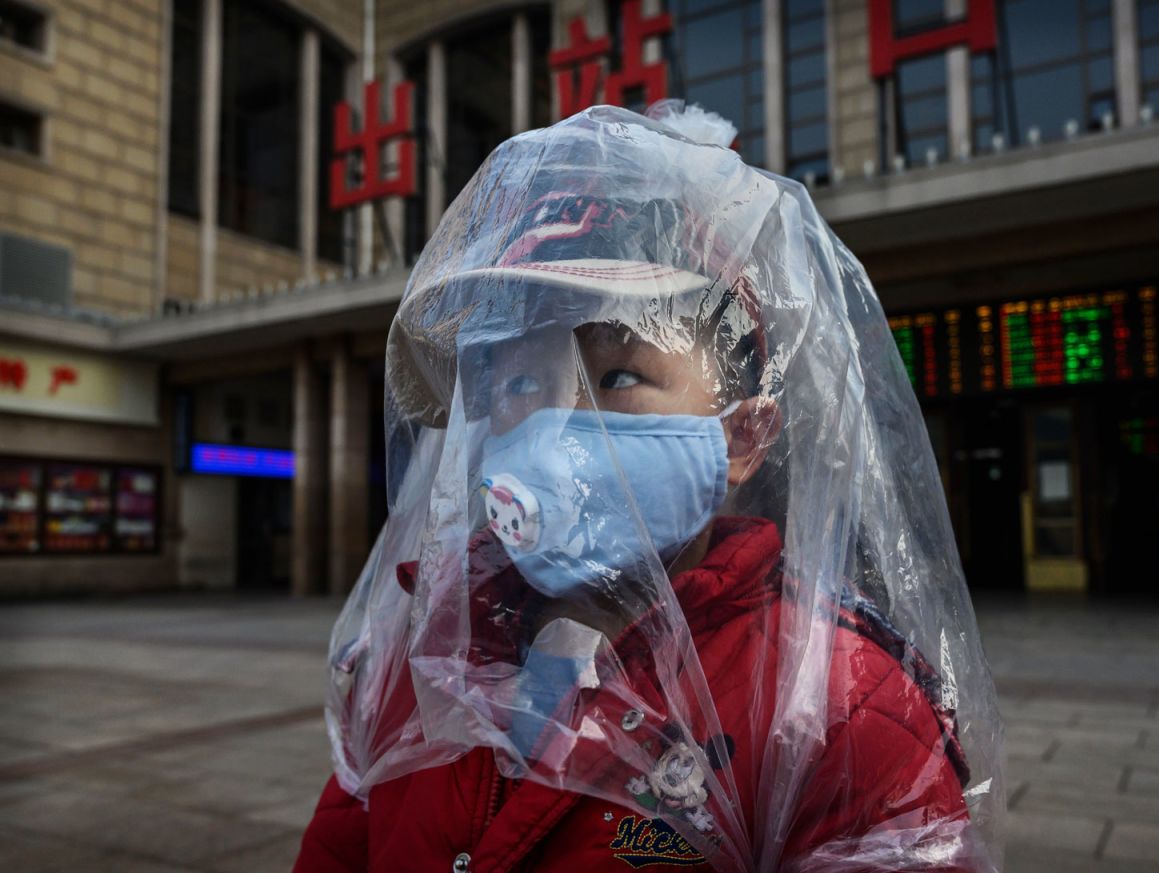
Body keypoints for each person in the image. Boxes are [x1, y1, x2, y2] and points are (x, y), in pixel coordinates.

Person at [294, 103, 1003, 873]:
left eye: (619, 375)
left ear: (743, 436)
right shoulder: (426, 655)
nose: (556, 424)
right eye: (521, 380)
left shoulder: (834, 709)